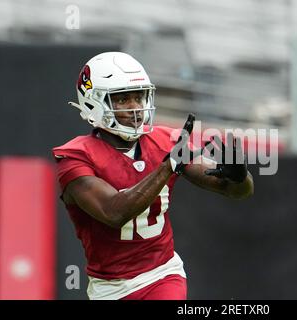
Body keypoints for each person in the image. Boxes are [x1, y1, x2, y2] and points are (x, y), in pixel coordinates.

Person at [52, 52, 254, 300]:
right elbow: (114, 213)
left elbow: (234, 190)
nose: (135, 107)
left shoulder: (163, 140)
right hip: (109, 289)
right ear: (94, 101)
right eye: (123, 99)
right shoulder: (75, 157)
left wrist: (239, 177)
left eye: (138, 96)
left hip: (162, 274)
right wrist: (167, 166)